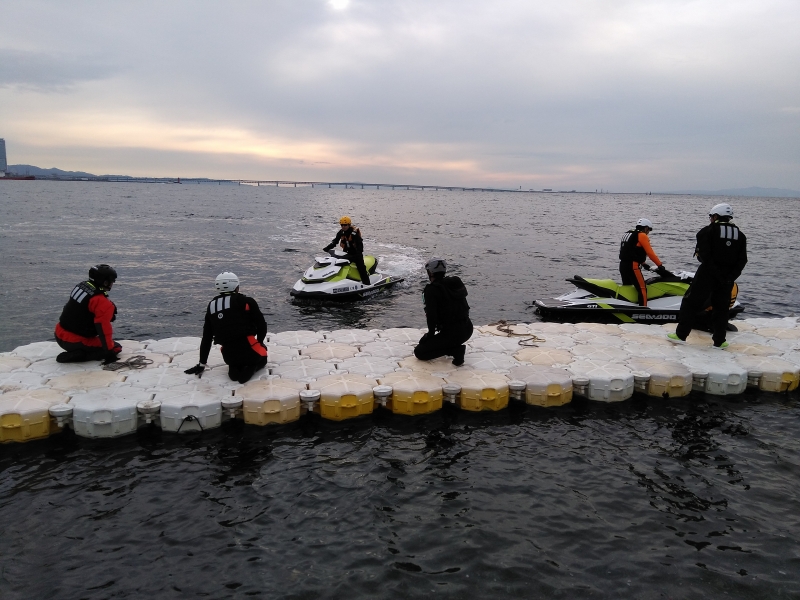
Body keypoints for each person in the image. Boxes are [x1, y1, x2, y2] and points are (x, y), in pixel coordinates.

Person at [668, 203, 747, 349]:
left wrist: (715, 273)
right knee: (722, 308)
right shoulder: (740, 235)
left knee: (690, 303)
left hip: (707, 275)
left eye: (711, 216)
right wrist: (730, 277)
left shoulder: (707, 231)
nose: (710, 219)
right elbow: (743, 260)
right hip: (727, 278)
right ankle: (719, 341)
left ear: (716, 216)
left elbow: (704, 256)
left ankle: (681, 335)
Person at [185, 272, 268, 384]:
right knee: (263, 356)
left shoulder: (212, 306)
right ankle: (251, 369)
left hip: (229, 356)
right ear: (236, 286)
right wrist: (261, 342)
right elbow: (262, 325)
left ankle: (234, 371)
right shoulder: (247, 301)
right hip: (250, 351)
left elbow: (207, 337)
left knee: (235, 365)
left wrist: (202, 363)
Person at [54, 264, 122, 364]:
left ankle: (80, 350)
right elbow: (104, 330)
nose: (113, 283)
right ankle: (80, 355)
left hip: (58, 333)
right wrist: (109, 353)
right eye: (112, 281)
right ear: (105, 282)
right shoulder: (101, 302)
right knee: (116, 347)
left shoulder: (81, 286)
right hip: (73, 341)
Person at [414, 258, 473, 366]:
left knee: (419, 352)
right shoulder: (456, 282)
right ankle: (453, 346)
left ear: (429, 272)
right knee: (439, 341)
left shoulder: (431, 290)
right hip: (468, 328)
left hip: (452, 334)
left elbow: (431, 316)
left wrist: (429, 335)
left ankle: (455, 351)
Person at [619, 218, 668, 306]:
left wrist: (643, 263)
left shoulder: (627, 233)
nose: (648, 232)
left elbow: (629, 251)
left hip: (623, 265)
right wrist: (660, 265)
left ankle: (625, 307)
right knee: (642, 289)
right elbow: (650, 253)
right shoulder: (641, 235)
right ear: (646, 228)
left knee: (627, 288)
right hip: (632, 266)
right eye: (649, 230)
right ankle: (643, 310)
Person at [323, 215, 371, 285]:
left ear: (349, 225)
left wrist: (356, 255)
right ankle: (335, 281)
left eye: (345, 225)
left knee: (362, 269)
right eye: (342, 225)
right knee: (336, 263)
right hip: (347, 254)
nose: (343, 226)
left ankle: (367, 284)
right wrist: (327, 248)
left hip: (356, 254)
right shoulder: (341, 232)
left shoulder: (354, 233)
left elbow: (360, 247)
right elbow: (335, 242)